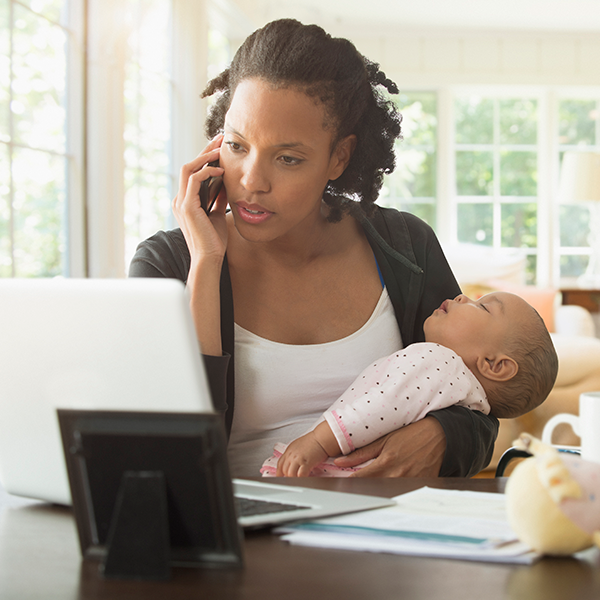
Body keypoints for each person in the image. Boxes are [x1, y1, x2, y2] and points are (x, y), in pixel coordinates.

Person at [129, 18, 499, 478]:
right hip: (241, 534)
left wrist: (442, 438)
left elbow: (482, 406)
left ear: (338, 157)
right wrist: (205, 262)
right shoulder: (168, 264)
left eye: (288, 158)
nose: (252, 181)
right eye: (238, 146)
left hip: (384, 528)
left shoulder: (407, 247)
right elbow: (165, 449)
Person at [262, 291, 559, 477]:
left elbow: (377, 407)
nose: (461, 297)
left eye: (482, 307)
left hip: (331, 472)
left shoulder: (438, 361)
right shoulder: (467, 398)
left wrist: (316, 441)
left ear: (495, 365)